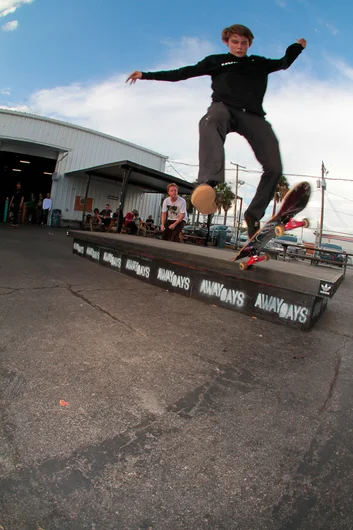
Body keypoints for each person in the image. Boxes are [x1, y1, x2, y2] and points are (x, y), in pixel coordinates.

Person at [126, 24, 306, 238]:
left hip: (253, 115)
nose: (239, 47)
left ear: (249, 43)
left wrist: (297, 47)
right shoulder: (216, 61)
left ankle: (253, 215)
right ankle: (208, 183)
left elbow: (283, 63)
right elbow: (182, 73)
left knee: (274, 167)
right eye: (235, 42)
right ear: (227, 42)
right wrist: (146, 75)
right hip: (224, 109)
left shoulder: (258, 63)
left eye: (244, 43)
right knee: (210, 121)